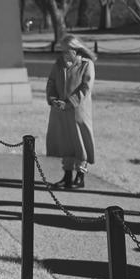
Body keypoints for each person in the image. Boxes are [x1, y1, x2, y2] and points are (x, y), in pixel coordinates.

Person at [45, 35, 96, 189]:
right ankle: (67, 176)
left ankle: (80, 176)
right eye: (62, 51)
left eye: (67, 50)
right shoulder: (59, 64)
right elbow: (51, 82)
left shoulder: (87, 65)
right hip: (60, 111)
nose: (64, 54)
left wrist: (70, 103)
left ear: (76, 49)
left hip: (78, 111)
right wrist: (53, 99)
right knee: (65, 143)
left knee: (82, 145)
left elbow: (86, 88)